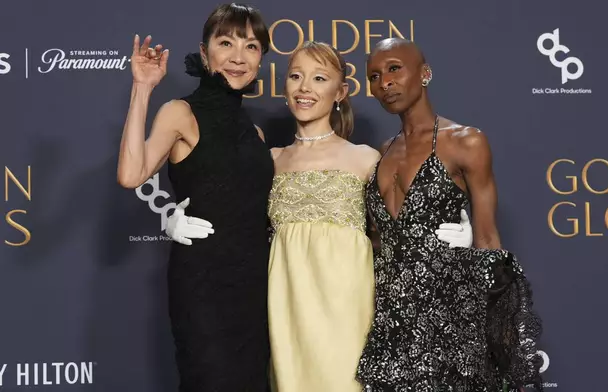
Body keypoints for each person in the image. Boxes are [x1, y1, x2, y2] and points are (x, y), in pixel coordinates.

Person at [164, 41, 474, 391]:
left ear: (340, 92)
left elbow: (398, 233)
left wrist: (456, 234)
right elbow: (230, 215)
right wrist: (172, 217)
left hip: (348, 309)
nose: (305, 88)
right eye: (296, 76)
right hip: (285, 311)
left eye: (319, 78)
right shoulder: (268, 161)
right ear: (285, 88)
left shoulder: (366, 159)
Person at [354, 37, 543, 392]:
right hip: (390, 320)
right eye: (375, 76)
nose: (385, 83)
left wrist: (496, 342)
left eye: (395, 69)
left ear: (425, 74)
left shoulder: (466, 142)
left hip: (450, 318)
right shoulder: (382, 152)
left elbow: (488, 239)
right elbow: (378, 242)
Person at [116, 3, 274, 391]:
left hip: (255, 287)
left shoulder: (255, 135)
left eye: (251, 47)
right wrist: (142, 87)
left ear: (260, 60)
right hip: (203, 285)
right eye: (226, 43)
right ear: (205, 54)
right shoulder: (180, 113)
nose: (238, 57)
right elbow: (131, 174)